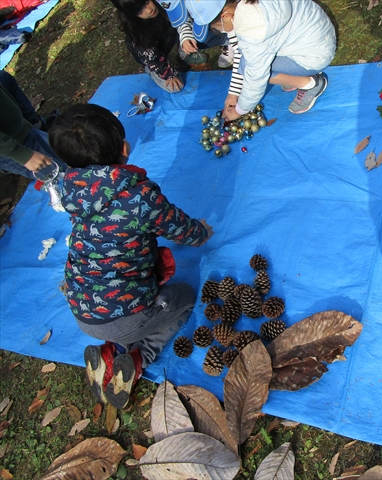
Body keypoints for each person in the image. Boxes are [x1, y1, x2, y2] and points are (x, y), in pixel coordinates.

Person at [48, 104, 214, 408]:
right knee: (185, 297)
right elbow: (180, 229)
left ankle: (110, 354)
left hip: (82, 311)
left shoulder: (71, 191)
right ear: (125, 147)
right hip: (127, 314)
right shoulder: (139, 196)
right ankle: (139, 357)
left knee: (122, 317)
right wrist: (202, 232)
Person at [204, 0, 336, 118]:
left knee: (248, 67)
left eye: (216, 29)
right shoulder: (241, 7)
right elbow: (240, 51)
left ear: (225, 16)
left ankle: (310, 84)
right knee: (250, 62)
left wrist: (241, 110)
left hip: (314, 56)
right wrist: (233, 93)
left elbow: (256, 76)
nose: (220, 32)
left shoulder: (254, 32)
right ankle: (292, 75)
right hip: (317, 35)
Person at [110, 0, 235, 93]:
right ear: (131, 14)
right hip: (152, 56)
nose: (149, 10)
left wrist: (185, 37)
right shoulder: (137, 33)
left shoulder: (165, 2)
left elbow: (184, 17)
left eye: (147, 2)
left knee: (199, 35)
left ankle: (189, 50)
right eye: (140, 11)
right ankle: (153, 70)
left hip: (171, 34)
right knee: (175, 87)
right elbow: (151, 57)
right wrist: (167, 73)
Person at [0, 71, 65, 178]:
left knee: (4, 78)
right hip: (13, 142)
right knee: (60, 172)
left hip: (17, 127)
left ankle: (36, 125)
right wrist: (23, 155)